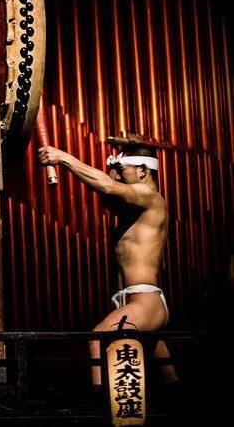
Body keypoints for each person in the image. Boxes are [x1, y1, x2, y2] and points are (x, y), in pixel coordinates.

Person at [38, 136, 178, 386]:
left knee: (99, 339)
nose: (118, 176)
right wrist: (116, 162)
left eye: (123, 170)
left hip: (144, 302)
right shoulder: (135, 209)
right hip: (135, 301)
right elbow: (106, 187)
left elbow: (108, 186)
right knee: (169, 379)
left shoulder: (150, 196)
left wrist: (64, 158)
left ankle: (98, 404)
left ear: (143, 170)